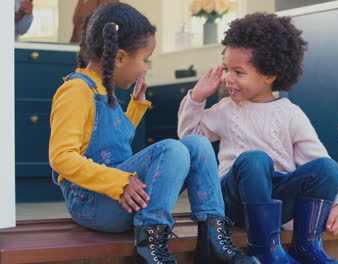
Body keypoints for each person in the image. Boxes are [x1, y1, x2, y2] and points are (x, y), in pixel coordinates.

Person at [49, 3, 259, 264]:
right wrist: (119, 181)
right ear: (121, 57)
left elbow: (112, 140)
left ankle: (213, 239)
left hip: (123, 197)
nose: (146, 68)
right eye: (145, 60)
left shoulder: (106, 91)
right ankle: (150, 245)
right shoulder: (76, 91)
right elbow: (61, 158)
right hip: (93, 203)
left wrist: (135, 108)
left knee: (197, 143)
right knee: (171, 148)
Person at [178, 12, 338, 264]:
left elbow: (318, 157)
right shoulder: (226, 109)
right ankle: (265, 250)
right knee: (256, 160)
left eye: (238, 72)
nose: (228, 78)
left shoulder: (290, 113)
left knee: (327, 167)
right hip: (232, 201)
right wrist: (197, 98)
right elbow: (191, 139)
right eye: (226, 69)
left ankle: (307, 247)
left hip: (273, 204)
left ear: (269, 75)